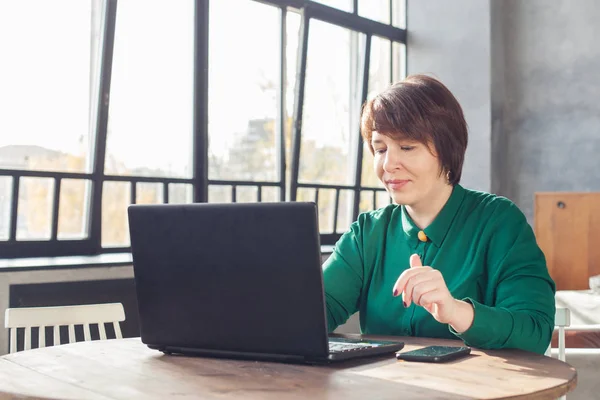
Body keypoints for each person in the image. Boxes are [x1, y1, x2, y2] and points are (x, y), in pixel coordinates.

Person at [323, 74, 555, 354]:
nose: (388, 164)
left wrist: (456, 311)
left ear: (447, 150)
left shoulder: (500, 222)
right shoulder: (367, 233)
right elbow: (315, 311)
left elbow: (535, 332)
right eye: (380, 148)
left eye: (407, 147)